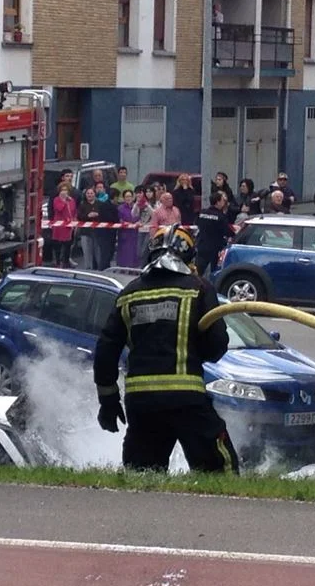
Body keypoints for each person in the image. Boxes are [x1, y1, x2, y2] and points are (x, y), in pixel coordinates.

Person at [93, 224, 239, 474]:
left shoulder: (129, 294)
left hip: (141, 402)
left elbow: (107, 348)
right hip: (186, 399)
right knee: (218, 470)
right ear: (188, 257)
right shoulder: (199, 289)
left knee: (142, 475)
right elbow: (216, 346)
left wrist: (108, 400)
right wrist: (194, 347)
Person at [195, 192, 234, 277]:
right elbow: (227, 231)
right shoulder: (220, 216)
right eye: (222, 200)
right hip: (215, 247)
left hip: (202, 245)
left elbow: (197, 223)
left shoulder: (202, 213)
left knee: (198, 271)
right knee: (214, 272)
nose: (224, 202)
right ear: (218, 202)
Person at [51, 183, 77, 268]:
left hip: (68, 226)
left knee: (67, 245)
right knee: (58, 245)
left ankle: (66, 262)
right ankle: (57, 262)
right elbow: (59, 208)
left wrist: (74, 221)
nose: (64, 192)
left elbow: (73, 211)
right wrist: (63, 201)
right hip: (59, 227)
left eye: (65, 190)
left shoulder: (72, 200)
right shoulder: (56, 199)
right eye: (62, 190)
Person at [96, 185, 120, 269]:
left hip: (111, 234)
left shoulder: (113, 206)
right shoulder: (105, 206)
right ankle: (102, 269)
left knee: (110, 253)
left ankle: (107, 267)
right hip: (104, 234)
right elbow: (111, 219)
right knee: (105, 254)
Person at [77, 187, 101, 269]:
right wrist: (88, 216)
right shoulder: (82, 205)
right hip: (85, 232)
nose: (90, 195)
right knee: (87, 252)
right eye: (88, 193)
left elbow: (104, 215)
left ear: (95, 194)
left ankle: (99, 269)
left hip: (98, 232)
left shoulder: (100, 204)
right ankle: (88, 268)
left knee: (98, 252)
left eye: (91, 193)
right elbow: (79, 216)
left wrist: (97, 215)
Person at [116, 190, 140, 267]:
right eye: (126, 196)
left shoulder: (137, 207)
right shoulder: (120, 208)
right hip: (124, 233)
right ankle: (122, 268)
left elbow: (140, 218)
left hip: (135, 233)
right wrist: (126, 223)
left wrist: (138, 222)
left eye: (130, 196)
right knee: (124, 251)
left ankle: (133, 268)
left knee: (134, 251)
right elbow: (120, 220)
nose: (128, 198)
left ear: (133, 197)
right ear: (123, 198)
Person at [133, 186, 156, 264]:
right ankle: (142, 265)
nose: (148, 193)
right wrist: (136, 204)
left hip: (150, 230)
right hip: (141, 229)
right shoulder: (141, 203)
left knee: (144, 250)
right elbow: (134, 214)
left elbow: (154, 215)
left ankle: (144, 266)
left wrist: (147, 205)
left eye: (150, 192)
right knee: (139, 251)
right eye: (146, 192)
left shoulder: (156, 203)